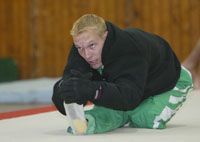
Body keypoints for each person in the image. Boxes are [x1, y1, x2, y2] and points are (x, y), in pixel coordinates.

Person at [52, 14, 193, 134]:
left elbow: (130, 97)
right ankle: (121, 113)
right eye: (79, 47)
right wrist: (64, 91)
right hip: (129, 83)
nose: (87, 55)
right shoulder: (81, 48)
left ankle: (130, 113)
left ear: (105, 36)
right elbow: (70, 85)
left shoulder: (129, 49)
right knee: (100, 114)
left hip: (167, 81)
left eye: (92, 46)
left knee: (146, 118)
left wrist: (91, 90)